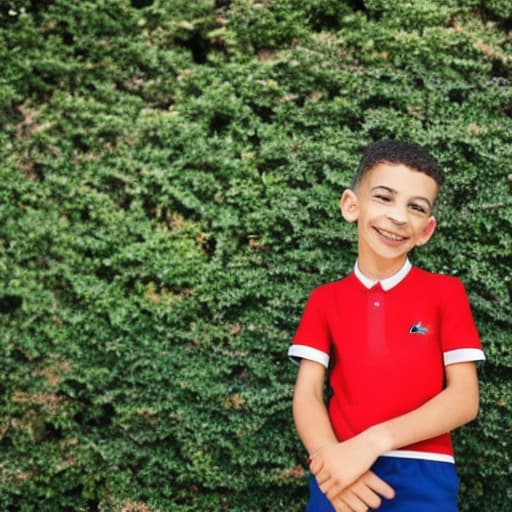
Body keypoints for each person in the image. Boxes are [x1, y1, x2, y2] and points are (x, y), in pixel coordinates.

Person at [288, 139, 485, 512]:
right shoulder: (324, 299)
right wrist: (330, 459)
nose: (397, 216)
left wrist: (372, 442)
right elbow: (308, 395)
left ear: (426, 230)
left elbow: (464, 399)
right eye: (384, 197)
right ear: (352, 205)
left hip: (425, 472)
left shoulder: (446, 293)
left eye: (415, 207)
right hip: (338, 470)